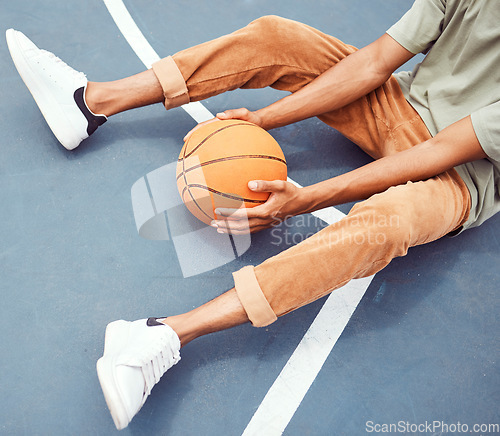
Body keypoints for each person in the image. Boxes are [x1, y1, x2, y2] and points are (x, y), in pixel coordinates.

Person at [6, 0, 499, 430]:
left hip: (457, 177)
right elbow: (374, 64)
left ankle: (163, 333)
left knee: (390, 221)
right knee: (277, 37)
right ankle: (89, 102)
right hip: (401, 105)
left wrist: (304, 200)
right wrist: (262, 119)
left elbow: (439, 153)